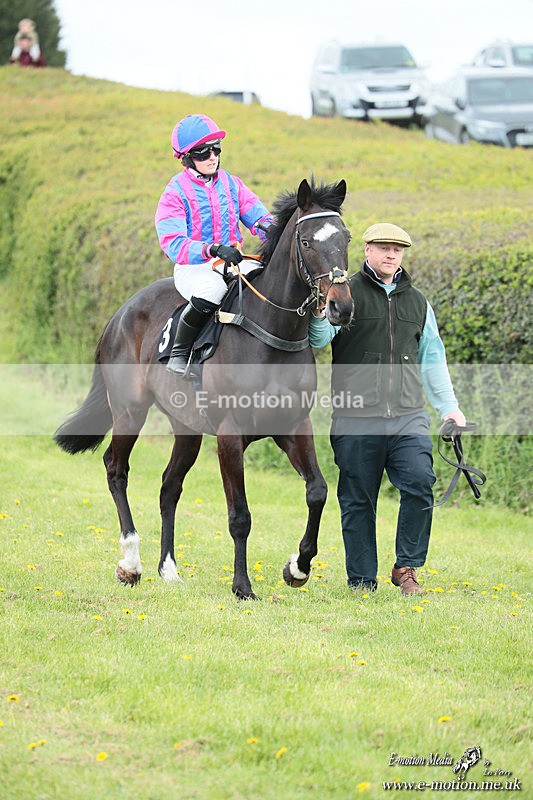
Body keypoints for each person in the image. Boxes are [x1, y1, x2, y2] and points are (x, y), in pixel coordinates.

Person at [309, 222, 466, 596]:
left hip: (408, 415)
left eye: (397, 249)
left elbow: (433, 360)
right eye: (383, 248)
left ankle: (406, 567)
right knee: (358, 499)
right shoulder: (347, 292)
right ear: (367, 250)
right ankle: (362, 580)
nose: (391, 254)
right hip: (356, 416)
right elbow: (318, 339)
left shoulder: (418, 302)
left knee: (420, 483)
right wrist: (322, 308)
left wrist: (450, 408)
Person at [154, 113, 273, 375]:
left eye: (215, 150)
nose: (212, 157)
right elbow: (174, 244)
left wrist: (276, 232)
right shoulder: (174, 193)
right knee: (212, 290)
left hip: (232, 260)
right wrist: (212, 249)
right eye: (202, 153)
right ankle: (181, 352)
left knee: (270, 284)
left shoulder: (231, 183)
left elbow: (259, 217)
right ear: (185, 158)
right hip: (195, 267)